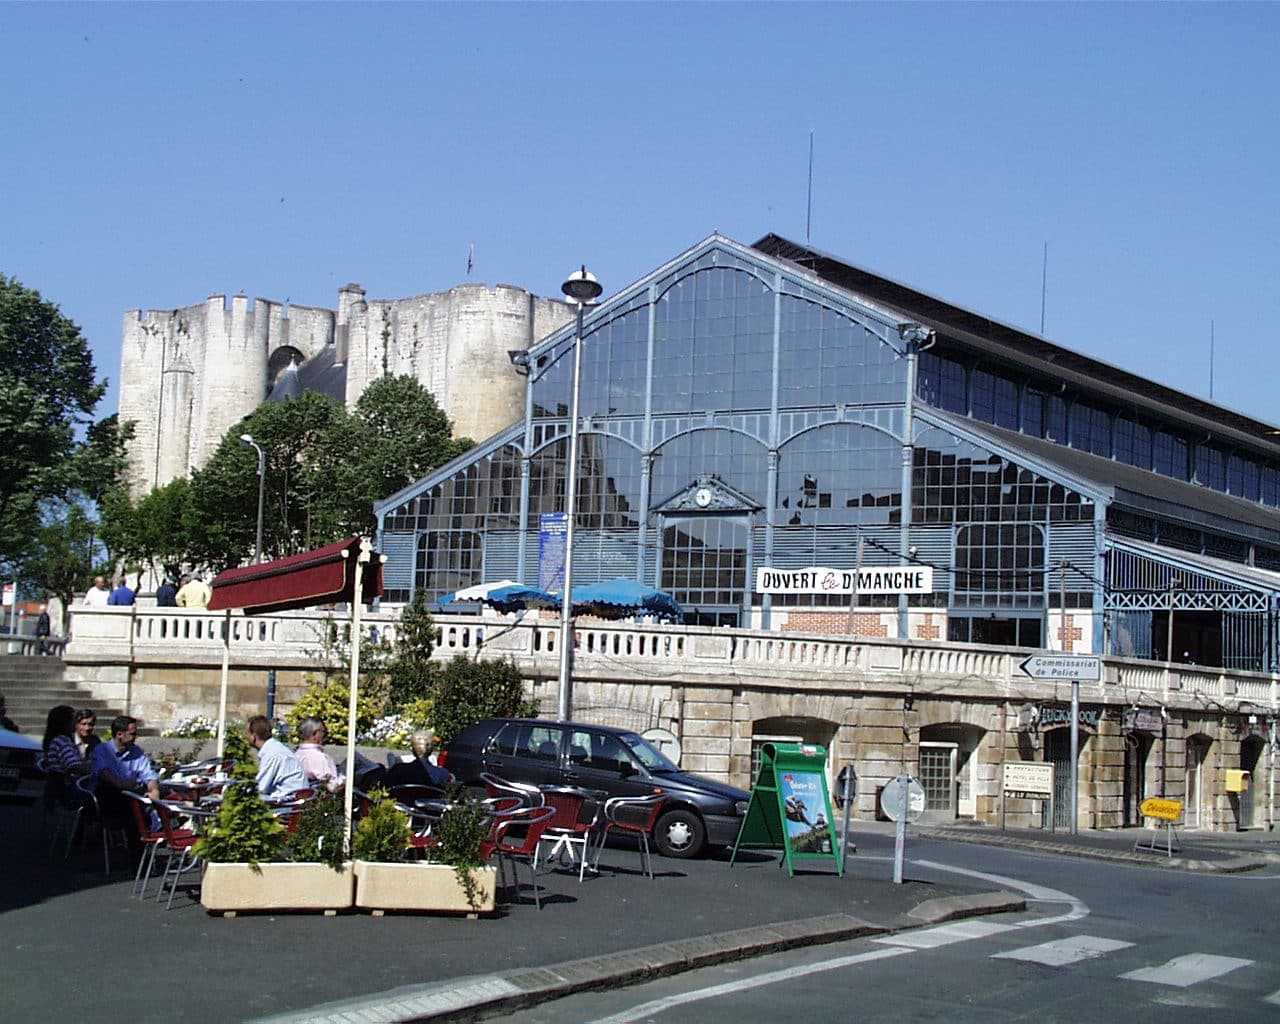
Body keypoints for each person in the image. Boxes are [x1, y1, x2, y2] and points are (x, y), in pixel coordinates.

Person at [246, 714, 308, 801]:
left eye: (247, 733)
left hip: (288, 803)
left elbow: (261, 787)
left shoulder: (273, 754)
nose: (246, 737)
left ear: (254, 736)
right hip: (288, 798)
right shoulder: (274, 749)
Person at [383, 729, 454, 789]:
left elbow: (384, 788)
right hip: (430, 805)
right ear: (431, 750)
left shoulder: (397, 770)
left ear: (413, 750)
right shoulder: (443, 774)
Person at [294, 717, 344, 792]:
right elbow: (332, 787)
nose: (325, 735)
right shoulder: (319, 757)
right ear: (314, 734)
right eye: (323, 732)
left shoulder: (296, 754)